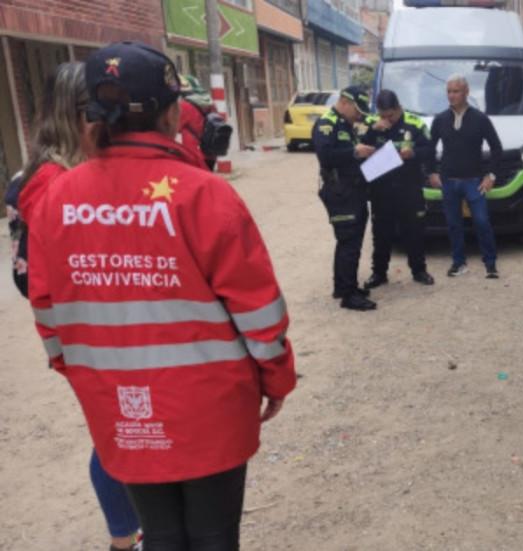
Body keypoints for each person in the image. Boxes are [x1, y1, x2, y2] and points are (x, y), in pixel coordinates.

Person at [27, 41, 296, 548]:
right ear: (171, 113)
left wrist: (85, 376)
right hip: (210, 410)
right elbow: (257, 309)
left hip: (118, 408)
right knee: (215, 536)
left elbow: (46, 309)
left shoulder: (56, 198)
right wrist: (276, 378)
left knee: (163, 537)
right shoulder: (204, 194)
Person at [14, 61, 143, 551]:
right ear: (76, 111)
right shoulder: (49, 179)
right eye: (102, 104)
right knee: (117, 436)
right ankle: (122, 541)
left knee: (126, 432)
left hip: (112, 326)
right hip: (93, 332)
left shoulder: (77, 163)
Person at [427, 74, 503, 279]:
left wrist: (491, 176)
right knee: (453, 224)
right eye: (449, 91)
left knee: (482, 221)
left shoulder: (480, 119)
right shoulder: (440, 119)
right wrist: (432, 172)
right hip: (448, 182)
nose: (451, 95)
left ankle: (490, 264)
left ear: (466, 92)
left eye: (455, 91)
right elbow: (429, 148)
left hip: (474, 181)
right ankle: (459, 263)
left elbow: (497, 148)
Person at [360, 89, 435, 290]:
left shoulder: (415, 123)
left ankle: (419, 271)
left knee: (414, 231)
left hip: (409, 187)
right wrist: (374, 130)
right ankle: (379, 273)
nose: (387, 120)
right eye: (383, 115)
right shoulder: (372, 124)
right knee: (381, 233)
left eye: (390, 115)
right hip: (381, 190)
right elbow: (358, 147)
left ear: (398, 108)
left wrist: (414, 153)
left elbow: (430, 150)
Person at [313, 86, 378, 310]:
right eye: (357, 111)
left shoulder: (346, 124)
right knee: (349, 241)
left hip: (353, 189)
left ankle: (343, 285)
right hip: (339, 190)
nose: (359, 116)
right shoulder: (327, 123)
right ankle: (349, 296)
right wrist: (354, 152)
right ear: (345, 103)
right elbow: (325, 155)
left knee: (351, 240)